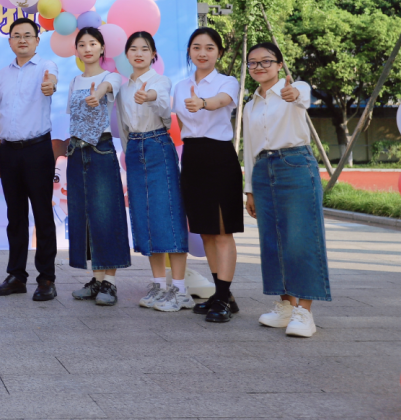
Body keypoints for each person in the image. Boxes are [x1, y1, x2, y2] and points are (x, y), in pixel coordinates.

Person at [243, 42, 329, 338]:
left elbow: (303, 95)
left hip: (295, 164)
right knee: (272, 240)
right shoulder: (250, 106)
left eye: (266, 61)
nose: (259, 67)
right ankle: (286, 306)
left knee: (300, 238)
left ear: (279, 65)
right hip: (263, 170)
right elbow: (249, 149)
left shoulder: (294, 89)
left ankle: (305, 311)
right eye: (253, 63)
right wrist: (249, 190)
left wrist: (294, 94)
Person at [171, 27, 244, 323]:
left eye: (210, 48)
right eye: (197, 47)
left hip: (219, 156)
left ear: (219, 53)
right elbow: (176, 120)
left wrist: (202, 103)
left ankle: (223, 297)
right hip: (192, 156)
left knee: (223, 231)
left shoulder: (228, 81)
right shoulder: (180, 86)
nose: (202, 53)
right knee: (206, 231)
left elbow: (221, 101)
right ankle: (221, 294)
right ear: (189, 51)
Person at [116, 32, 191, 312]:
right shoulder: (123, 89)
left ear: (153, 54)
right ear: (126, 55)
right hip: (135, 149)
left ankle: (180, 290)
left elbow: (162, 106)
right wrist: (130, 153)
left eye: (145, 49)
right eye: (133, 49)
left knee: (168, 213)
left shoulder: (161, 81)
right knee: (145, 216)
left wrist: (149, 96)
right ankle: (159, 285)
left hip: (158, 144)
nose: (139, 53)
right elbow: (124, 126)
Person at [0, 18, 59, 302]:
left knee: (42, 215)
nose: (22, 40)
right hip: (9, 152)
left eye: (28, 35)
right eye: (16, 35)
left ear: (37, 40)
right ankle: (16, 276)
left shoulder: (45, 66)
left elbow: (52, 82)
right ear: (10, 42)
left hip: (37, 150)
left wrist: (50, 86)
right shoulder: (2, 74)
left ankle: (46, 279)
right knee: (15, 217)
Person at [66, 27, 130, 306]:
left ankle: (110, 283)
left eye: (93, 44)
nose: (87, 49)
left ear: (102, 48)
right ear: (76, 50)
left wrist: (99, 93)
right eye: (82, 44)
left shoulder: (110, 76)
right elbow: (74, 117)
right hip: (76, 150)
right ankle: (96, 279)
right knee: (84, 215)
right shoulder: (74, 81)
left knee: (107, 213)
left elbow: (108, 88)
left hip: (101, 149)